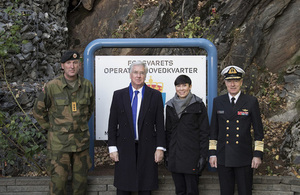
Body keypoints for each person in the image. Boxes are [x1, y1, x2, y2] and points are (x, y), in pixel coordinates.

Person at [33, 50, 94, 195]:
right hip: (59, 146)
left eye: (75, 63)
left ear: (79, 65)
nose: (72, 66)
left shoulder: (87, 86)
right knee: (58, 186)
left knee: (81, 186)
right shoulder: (52, 86)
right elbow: (38, 111)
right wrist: (52, 128)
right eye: (68, 63)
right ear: (62, 66)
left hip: (81, 145)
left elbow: (89, 110)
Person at [107, 61, 166, 195]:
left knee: (145, 187)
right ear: (130, 74)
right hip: (124, 147)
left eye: (141, 73)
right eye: (135, 72)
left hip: (147, 147)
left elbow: (160, 124)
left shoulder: (155, 95)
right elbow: (112, 123)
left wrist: (160, 148)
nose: (138, 76)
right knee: (123, 187)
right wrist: (112, 147)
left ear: (145, 75)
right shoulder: (118, 95)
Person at [209, 65, 264, 195]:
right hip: (224, 156)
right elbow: (213, 131)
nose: (232, 84)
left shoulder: (250, 101)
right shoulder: (218, 101)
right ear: (225, 82)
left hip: (244, 157)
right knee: (226, 192)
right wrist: (212, 153)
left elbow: (258, 131)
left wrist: (257, 154)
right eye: (229, 81)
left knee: (245, 192)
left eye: (236, 81)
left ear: (241, 82)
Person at [165, 75, 210, 195]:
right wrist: (167, 154)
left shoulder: (198, 105)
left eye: (184, 85)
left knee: (192, 191)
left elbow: (204, 132)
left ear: (190, 87)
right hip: (175, 156)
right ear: (175, 88)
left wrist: (203, 156)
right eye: (178, 86)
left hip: (192, 156)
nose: (181, 88)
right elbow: (168, 132)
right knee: (179, 191)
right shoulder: (169, 106)